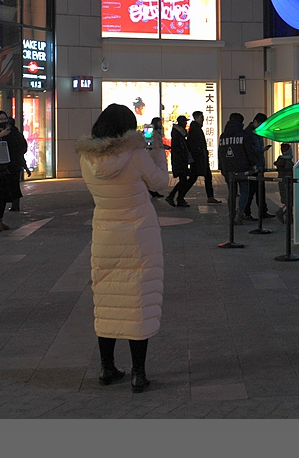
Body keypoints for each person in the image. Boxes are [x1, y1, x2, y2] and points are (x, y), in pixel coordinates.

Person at [77, 103, 166, 394]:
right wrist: (158, 150)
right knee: (138, 302)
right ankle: (138, 374)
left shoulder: (86, 159)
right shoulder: (137, 155)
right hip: (139, 238)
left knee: (107, 302)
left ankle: (107, 368)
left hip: (105, 235)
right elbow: (162, 184)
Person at [218, 112, 258, 225]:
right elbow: (248, 151)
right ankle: (240, 214)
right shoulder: (244, 135)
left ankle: (231, 215)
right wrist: (253, 164)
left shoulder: (223, 136)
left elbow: (220, 153)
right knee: (245, 191)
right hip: (242, 168)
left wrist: (222, 167)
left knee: (232, 193)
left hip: (228, 169)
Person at [178, 111, 221, 205]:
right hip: (199, 159)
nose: (203, 120)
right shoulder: (195, 129)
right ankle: (179, 196)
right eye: (201, 118)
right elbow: (195, 145)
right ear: (196, 118)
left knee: (204, 176)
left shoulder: (195, 129)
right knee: (194, 178)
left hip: (200, 158)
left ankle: (210, 196)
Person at [241, 112, 273, 221]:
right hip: (253, 166)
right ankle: (246, 212)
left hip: (259, 166)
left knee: (260, 190)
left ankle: (263, 211)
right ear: (255, 122)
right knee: (251, 191)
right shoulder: (248, 133)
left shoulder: (258, 132)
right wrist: (262, 150)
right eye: (260, 124)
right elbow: (250, 150)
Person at [165, 116, 192, 208]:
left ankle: (177, 198)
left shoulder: (178, 133)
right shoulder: (178, 134)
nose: (186, 124)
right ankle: (174, 196)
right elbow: (180, 148)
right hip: (180, 160)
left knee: (183, 180)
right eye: (184, 122)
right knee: (183, 180)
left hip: (179, 160)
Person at [7, 121, 30, 212]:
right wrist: (25, 167)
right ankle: (15, 205)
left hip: (9, 164)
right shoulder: (18, 134)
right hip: (16, 163)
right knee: (15, 185)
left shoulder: (8, 135)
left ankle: (13, 205)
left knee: (9, 184)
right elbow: (23, 150)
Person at [146, 117, 169, 199]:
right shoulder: (149, 130)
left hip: (158, 153)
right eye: (159, 122)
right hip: (153, 153)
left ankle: (153, 190)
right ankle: (151, 189)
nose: (161, 124)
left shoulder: (158, 132)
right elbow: (147, 143)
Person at [274, 142, 294, 221]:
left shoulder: (280, 160)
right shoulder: (288, 162)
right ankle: (283, 213)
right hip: (288, 183)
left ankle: (289, 216)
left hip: (282, 183)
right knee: (290, 200)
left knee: (288, 200)